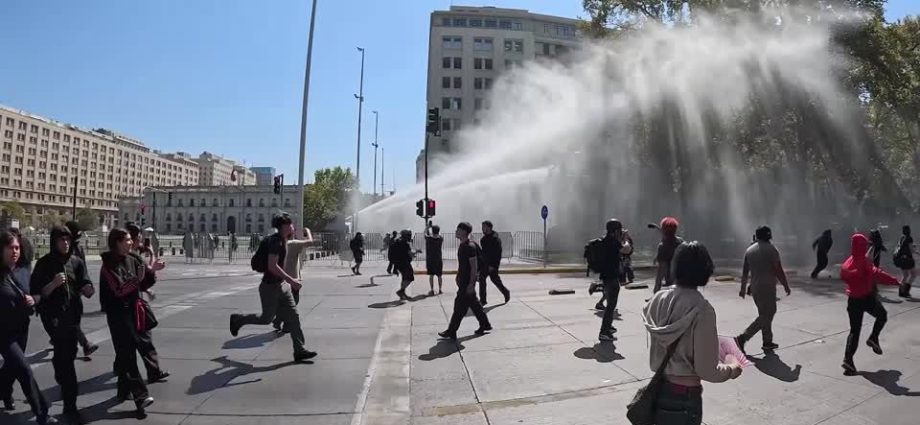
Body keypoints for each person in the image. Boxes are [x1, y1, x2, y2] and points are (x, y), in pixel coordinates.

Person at [643, 241, 743, 424]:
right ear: (705, 270)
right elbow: (707, 371)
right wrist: (732, 367)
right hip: (684, 397)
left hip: (658, 390)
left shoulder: (657, 299)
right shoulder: (702, 309)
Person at [230, 214, 317, 362]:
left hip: (282, 286)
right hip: (270, 287)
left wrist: (288, 282)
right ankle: (239, 320)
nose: (293, 227)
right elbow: (272, 266)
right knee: (266, 319)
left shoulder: (284, 240)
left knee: (294, 317)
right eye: (290, 224)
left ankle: (299, 350)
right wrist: (292, 280)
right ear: (284, 227)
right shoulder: (276, 242)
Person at [30, 226, 95, 424]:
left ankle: (64, 381)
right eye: (61, 240)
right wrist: (53, 284)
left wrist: (88, 289)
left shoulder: (76, 262)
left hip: (73, 317)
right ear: (54, 242)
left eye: (68, 240)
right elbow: (37, 293)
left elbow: (86, 283)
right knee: (65, 361)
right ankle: (70, 404)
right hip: (53, 317)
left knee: (66, 356)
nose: (65, 243)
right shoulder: (44, 263)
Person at [0, 231, 56, 424]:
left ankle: (4, 391)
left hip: (22, 328)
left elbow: (37, 295)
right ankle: (42, 413)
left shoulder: (24, 270)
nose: (15, 251)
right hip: (3, 333)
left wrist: (34, 299)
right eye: (10, 248)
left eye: (17, 247)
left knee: (12, 367)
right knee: (24, 369)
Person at [99, 228, 156, 416]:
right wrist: (136, 280)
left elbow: (144, 282)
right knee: (128, 354)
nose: (131, 243)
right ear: (117, 242)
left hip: (132, 311)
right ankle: (141, 396)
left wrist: (152, 270)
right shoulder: (108, 265)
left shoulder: (132, 259)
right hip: (117, 314)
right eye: (127, 240)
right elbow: (118, 290)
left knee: (126, 352)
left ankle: (123, 390)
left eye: (131, 240)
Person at [840, 233, 900, 375]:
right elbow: (877, 273)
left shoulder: (848, 262)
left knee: (854, 331)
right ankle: (873, 338)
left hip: (853, 300)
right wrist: (895, 281)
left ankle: (848, 360)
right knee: (882, 316)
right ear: (861, 246)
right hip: (866, 298)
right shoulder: (864, 262)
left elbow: (845, 276)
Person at [125, 223, 170, 384]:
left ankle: (125, 370)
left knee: (132, 342)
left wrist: (147, 288)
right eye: (138, 237)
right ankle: (151, 373)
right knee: (143, 340)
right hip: (130, 306)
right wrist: (153, 267)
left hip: (132, 304)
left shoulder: (129, 257)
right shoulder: (128, 258)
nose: (139, 240)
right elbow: (140, 277)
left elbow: (140, 280)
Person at [735, 226, 791, 353]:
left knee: (764, 314)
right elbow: (778, 270)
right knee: (768, 314)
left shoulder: (749, 250)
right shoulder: (771, 249)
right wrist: (785, 285)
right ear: (768, 236)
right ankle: (742, 338)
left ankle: (767, 342)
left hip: (755, 288)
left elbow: (745, 272)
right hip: (768, 287)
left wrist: (743, 289)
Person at [439, 222, 492, 340]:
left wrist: (471, 284)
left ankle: (451, 331)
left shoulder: (469, 247)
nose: (456, 231)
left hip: (467, 283)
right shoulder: (463, 245)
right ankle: (485, 324)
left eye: (458, 229)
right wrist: (458, 276)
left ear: (463, 231)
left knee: (459, 307)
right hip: (464, 281)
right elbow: (463, 265)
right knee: (474, 305)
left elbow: (474, 266)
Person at [273, 228, 313, 333]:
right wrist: (308, 232)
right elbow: (310, 242)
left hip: (279, 279)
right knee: (293, 302)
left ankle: (278, 319)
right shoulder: (293, 243)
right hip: (292, 279)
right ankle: (286, 324)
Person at [598, 219, 631, 342]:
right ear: (616, 231)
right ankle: (604, 332)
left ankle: (608, 327)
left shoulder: (605, 240)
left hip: (607, 276)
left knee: (610, 305)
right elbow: (627, 249)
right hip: (611, 278)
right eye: (619, 230)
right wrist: (626, 239)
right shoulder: (612, 242)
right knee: (611, 306)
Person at [479, 221, 510, 306]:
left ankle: (506, 292)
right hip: (485, 264)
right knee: (482, 279)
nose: (482, 229)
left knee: (495, 280)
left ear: (489, 228)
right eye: (482, 227)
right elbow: (483, 253)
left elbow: (498, 254)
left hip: (492, 265)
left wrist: (493, 266)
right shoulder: (483, 240)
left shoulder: (495, 239)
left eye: (484, 227)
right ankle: (483, 300)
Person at [653, 217, 684, 294]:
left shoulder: (663, 246)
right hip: (684, 280)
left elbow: (661, 270)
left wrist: (656, 289)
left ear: (663, 230)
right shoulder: (681, 241)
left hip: (671, 282)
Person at [894, 225, 917, 298]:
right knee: (913, 274)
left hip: (901, 259)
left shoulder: (902, 237)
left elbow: (903, 247)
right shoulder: (909, 238)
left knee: (905, 275)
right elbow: (911, 250)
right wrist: (917, 252)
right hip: (908, 259)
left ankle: (901, 291)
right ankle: (906, 290)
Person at [393, 229, 417, 301]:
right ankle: (401, 291)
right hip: (405, 263)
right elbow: (410, 254)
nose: (410, 236)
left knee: (404, 278)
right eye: (409, 235)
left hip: (398, 263)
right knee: (410, 278)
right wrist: (417, 251)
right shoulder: (405, 244)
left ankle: (402, 294)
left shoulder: (397, 241)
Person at [425, 224, 444, 296]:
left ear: (432, 231)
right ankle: (440, 289)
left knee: (431, 275)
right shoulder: (441, 239)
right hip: (438, 259)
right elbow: (439, 234)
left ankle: (432, 289)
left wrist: (427, 228)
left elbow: (424, 234)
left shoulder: (429, 238)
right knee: (439, 275)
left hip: (430, 260)